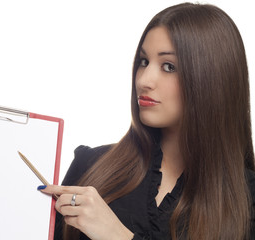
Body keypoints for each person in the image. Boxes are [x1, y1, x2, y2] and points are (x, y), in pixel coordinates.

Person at [39, 3, 255, 239]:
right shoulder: (91, 167)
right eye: (143, 61)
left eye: (168, 66)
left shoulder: (247, 200)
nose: (144, 80)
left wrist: (117, 235)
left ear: (212, 81)